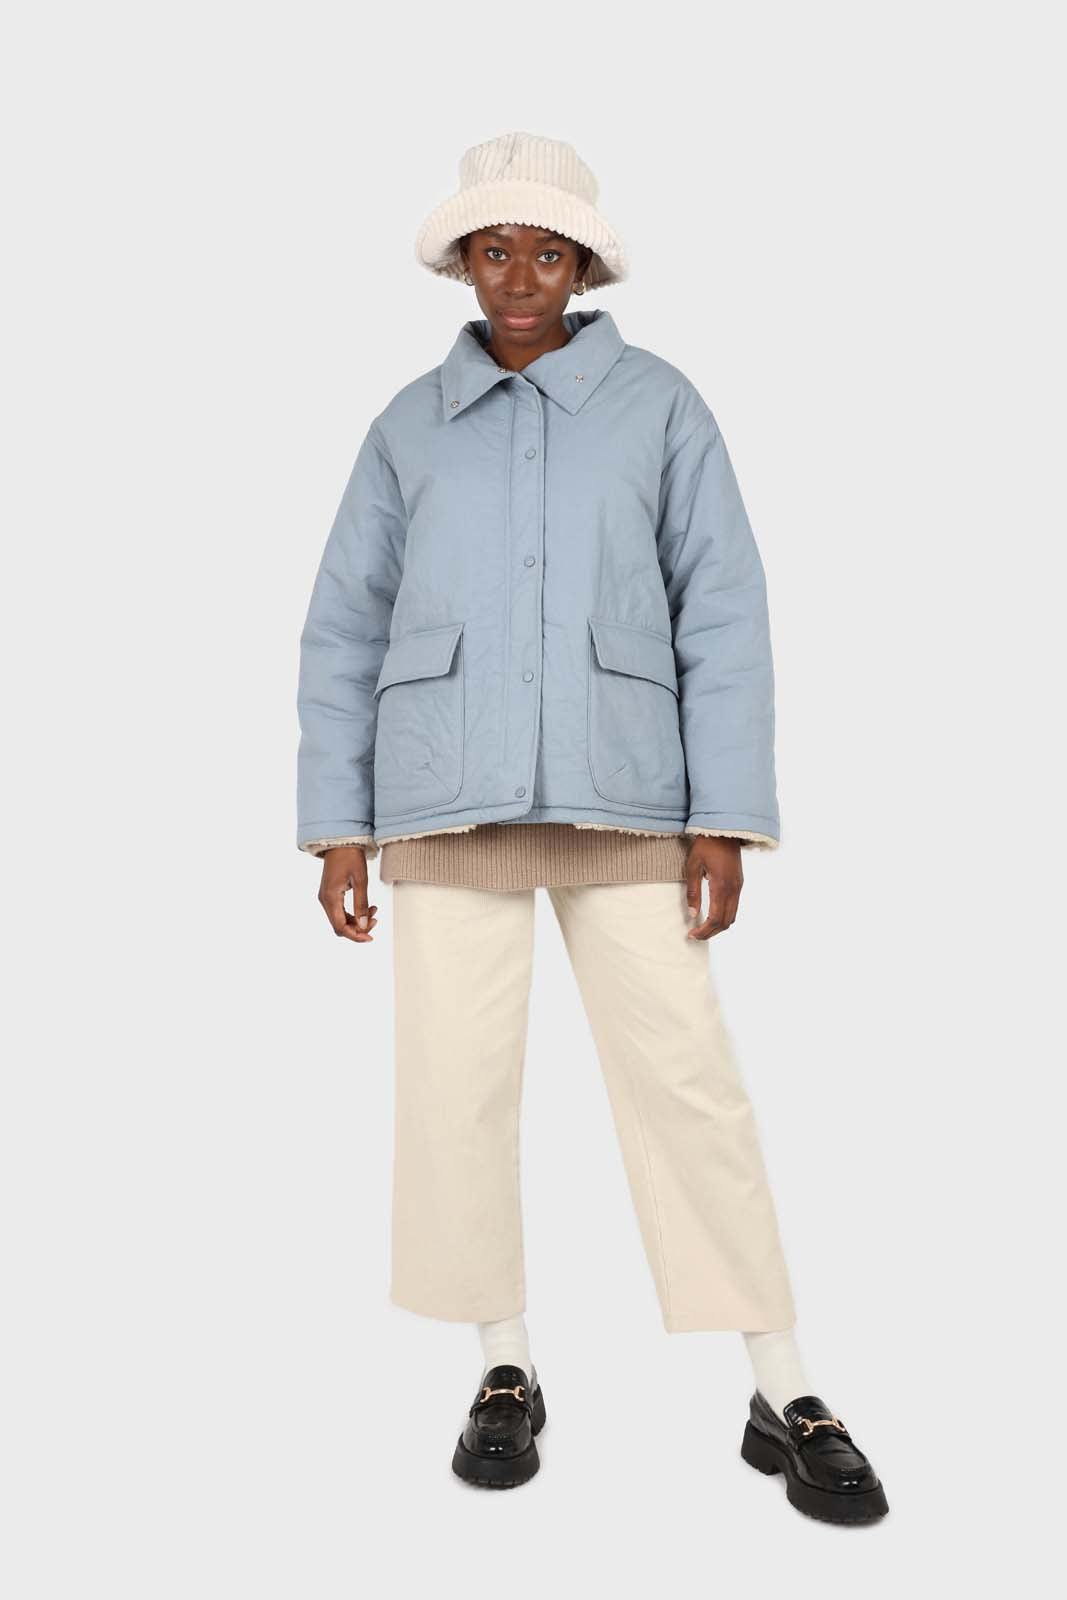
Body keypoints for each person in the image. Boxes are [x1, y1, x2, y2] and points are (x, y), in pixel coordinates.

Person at [295, 130, 888, 1523]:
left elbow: (723, 610)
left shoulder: (661, 407)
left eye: (546, 253)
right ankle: (504, 1366)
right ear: (464, 261)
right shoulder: (407, 425)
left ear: (583, 266)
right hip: (443, 793)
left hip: (631, 792)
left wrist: (724, 815)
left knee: (688, 1085)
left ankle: (784, 1381)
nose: (519, 277)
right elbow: (343, 626)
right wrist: (338, 826)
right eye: (494, 251)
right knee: (455, 1087)